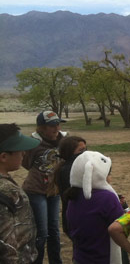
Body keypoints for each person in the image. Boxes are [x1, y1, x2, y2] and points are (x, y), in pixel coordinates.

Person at [66, 151, 130, 264]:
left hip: (80, 256)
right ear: (99, 175)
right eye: (108, 174)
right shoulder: (107, 198)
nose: (110, 177)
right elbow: (123, 228)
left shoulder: (73, 195)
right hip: (104, 257)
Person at [22, 110, 66, 264]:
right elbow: (25, 163)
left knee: (54, 230)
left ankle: (56, 261)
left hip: (54, 191)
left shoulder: (63, 140)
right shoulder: (33, 143)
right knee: (42, 232)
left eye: (57, 124)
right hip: (35, 191)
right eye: (52, 125)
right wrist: (41, 174)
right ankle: (37, 261)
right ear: (41, 128)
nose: (56, 128)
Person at [0, 123, 40, 263]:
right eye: (19, 149)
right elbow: (7, 246)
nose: (24, 153)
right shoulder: (6, 191)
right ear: (4, 156)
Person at [54, 136, 87, 237]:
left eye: (85, 149)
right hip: (76, 220)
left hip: (74, 219)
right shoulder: (69, 170)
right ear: (69, 152)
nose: (84, 153)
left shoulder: (70, 167)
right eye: (80, 150)